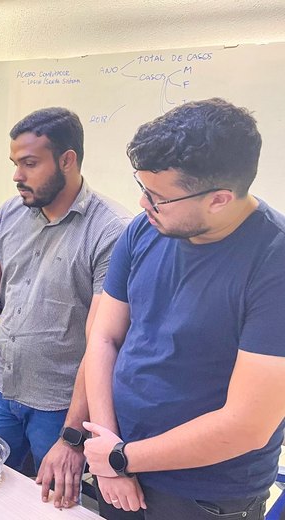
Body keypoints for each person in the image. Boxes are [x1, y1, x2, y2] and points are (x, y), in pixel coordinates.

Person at [82, 98, 285, 520]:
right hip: (119, 462)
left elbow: (248, 424)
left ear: (219, 199)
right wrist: (108, 449)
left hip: (203, 495)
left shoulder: (273, 262)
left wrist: (122, 458)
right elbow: (104, 336)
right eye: (142, 188)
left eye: (158, 197)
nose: (142, 205)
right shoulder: (144, 229)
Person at [0, 108, 131, 508]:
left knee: (46, 503)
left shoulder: (111, 231)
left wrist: (72, 436)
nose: (17, 175)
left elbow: (102, 340)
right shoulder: (10, 213)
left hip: (60, 403)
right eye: (15, 163)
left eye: (30, 163)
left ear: (68, 160)